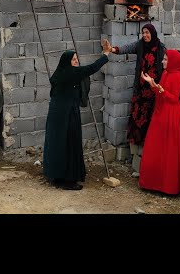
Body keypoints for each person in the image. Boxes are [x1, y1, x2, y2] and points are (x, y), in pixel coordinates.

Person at [43, 39, 112, 190]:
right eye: (73, 59)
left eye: (76, 59)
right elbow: (92, 68)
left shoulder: (60, 72)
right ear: (67, 61)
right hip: (67, 114)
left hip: (56, 114)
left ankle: (56, 176)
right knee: (69, 144)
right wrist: (106, 54)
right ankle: (68, 181)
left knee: (58, 144)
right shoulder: (71, 72)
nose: (76, 62)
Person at [138, 50, 180, 195]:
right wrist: (152, 84)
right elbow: (159, 91)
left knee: (169, 149)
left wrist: (160, 89)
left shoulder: (178, 76)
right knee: (157, 147)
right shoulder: (167, 73)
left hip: (172, 114)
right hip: (161, 112)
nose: (163, 62)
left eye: (166, 60)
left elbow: (173, 98)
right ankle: (154, 182)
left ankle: (169, 185)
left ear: (173, 62)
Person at [111, 24, 166, 157]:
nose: (145, 35)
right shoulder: (140, 45)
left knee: (150, 121)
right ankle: (136, 153)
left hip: (153, 91)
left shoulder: (161, 48)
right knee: (137, 119)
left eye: (147, 32)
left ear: (152, 33)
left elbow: (166, 66)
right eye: (143, 33)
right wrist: (113, 49)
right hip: (140, 91)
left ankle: (149, 152)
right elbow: (127, 48)